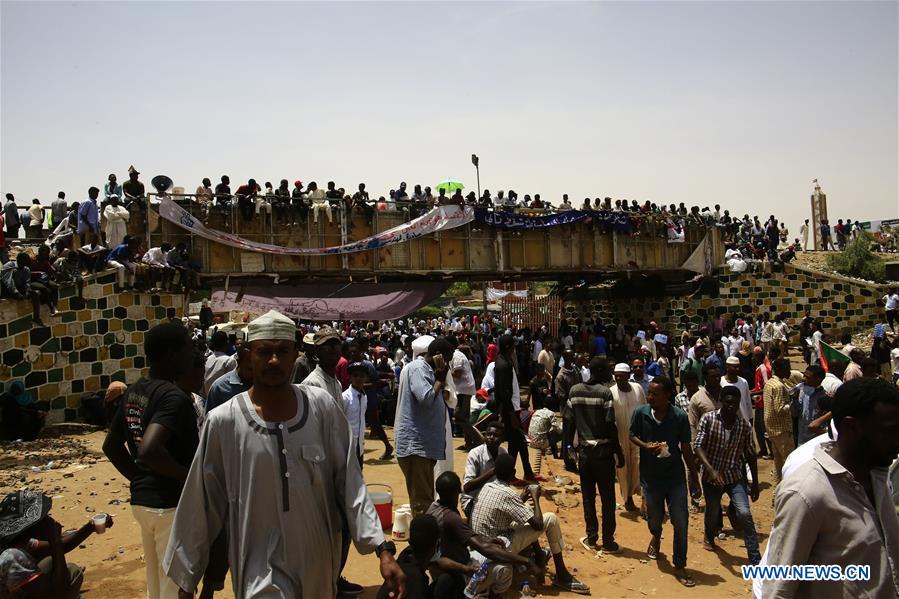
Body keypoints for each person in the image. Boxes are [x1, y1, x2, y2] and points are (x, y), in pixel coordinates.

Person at [164, 310, 405, 598]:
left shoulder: (321, 408)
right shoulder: (224, 422)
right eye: (264, 351)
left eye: (282, 351)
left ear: (295, 355)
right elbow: (202, 502)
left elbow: (350, 482)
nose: (274, 360)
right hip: (257, 571)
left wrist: (382, 549)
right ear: (248, 355)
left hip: (317, 567)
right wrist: (187, 577)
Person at [761, 378, 899, 597]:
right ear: (852, 427)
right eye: (890, 431)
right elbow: (778, 589)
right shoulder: (806, 492)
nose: (897, 440)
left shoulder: (877, 475)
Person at [101, 323, 199, 599]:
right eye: (188, 348)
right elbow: (149, 450)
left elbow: (111, 446)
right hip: (169, 506)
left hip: (144, 503)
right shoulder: (173, 397)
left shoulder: (134, 391)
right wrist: (189, 477)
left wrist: (140, 478)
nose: (192, 355)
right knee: (174, 588)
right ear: (171, 354)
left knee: (156, 587)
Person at [470, 453, 590, 595]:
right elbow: (538, 524)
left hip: (480, 545)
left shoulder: (487, 487)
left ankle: (538, 554)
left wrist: (523, 497)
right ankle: (562, 575)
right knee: (551, 519)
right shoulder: (508, 493)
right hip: (497, 549)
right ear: (513, 473)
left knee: (525, 508)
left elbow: (507, 508)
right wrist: (535, 496)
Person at [629, 377, 701, 588]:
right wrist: (645, 446)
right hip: (651, 478)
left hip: (675, 478)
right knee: (654, 518)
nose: (650, 397)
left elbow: (686, 448)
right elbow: (632, 434)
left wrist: (694, 477)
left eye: (655, 394)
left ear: (668, 395)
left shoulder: (679, 417)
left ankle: (680, 565)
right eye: (649, 393)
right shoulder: (641, 413)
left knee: (681, 521)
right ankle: (656, 535)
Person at [428, 471, 541, 597]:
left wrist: (486, 540)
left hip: (444, 569)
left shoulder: (434, 508)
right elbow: (485, 549)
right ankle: (491, 594)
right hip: (458, 572)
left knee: (495, 548)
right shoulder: (451, 518)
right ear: (456, 491)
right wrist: (526, 561)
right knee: (504, 569)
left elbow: (460, 537)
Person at [0, 490, 113, 599]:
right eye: (43, 518)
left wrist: (90, 527)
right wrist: (55, 541)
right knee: (73, 573)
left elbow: (63, 546)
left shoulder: (17, 540)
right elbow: (59, 595)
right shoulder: (12, 555)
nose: (48, 520)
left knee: (49, 561)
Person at [693, 386, 761, 564]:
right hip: (711, 477)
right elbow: (698, 446)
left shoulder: (744, 426)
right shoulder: (708, 419)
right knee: (713, 511)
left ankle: (755, 557)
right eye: (728, 402)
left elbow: (750, 454)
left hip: (734, 476)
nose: (732, 406)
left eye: (735, 403)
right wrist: (711, 470)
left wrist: (755, 483)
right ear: (721, 401)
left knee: (745, 513)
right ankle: (709, 536)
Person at [570, 357, 624, 553]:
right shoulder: (605, 393)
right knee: (608, 499)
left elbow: (569, 421)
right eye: (608, 369)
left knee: (588, 497)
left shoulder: (574, 391)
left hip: (584, 454)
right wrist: (619, 452)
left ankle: (592, 537)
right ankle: (608, 541)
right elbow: (610, 426)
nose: (611, 373)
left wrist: (568, 448)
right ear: (600, 371)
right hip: (603, 454)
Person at [395, 336, 453, 516]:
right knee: (422, 503)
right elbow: (426, 398)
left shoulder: (427, 370)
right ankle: (423, 533)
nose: (447, 364)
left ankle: (426, 531)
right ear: (438, 355)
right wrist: (439, 380)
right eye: (447, 359)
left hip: (424, 446)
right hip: (416, 446)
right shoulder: (418, 368)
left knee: (426, 496)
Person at [495, 334, 538, 481]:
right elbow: (504, 392)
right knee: (518, 441)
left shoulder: (506, 360)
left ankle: (523, 472)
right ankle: (512, 474)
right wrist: (511, 414)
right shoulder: (503, 365)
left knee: (517, 443)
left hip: (514, 407)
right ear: (509, 347)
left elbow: (511, 387)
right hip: (510, 411)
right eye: (513, 345)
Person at [610, 363, 646, 513]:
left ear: (627, 376)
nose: (619, 378)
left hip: (637, 435)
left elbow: (644, 409)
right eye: (616, 376)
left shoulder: (637, 388)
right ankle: (628, 498)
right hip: (620, 435)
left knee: (639, 464)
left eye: (621, 376)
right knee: (623, 468)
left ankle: (643, 497)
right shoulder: (611, 392)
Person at [462, 421, 507, 517]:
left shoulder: (503, 453)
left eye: (496, 435)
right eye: (489, 434)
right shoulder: (475, 453)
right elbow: (467, 487)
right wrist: (494, 471)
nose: (491, 437)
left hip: (494, 498)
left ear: (502, 439)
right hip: (473, 499)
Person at [763, 358, 795, 486]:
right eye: (787, 369)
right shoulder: (779, 386)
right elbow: (780, 409)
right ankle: (787, 488)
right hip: (782, 429)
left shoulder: (770, 383)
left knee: (777, 461)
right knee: (788, 462)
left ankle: (777, 489)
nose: (789, 372)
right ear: (780, 370)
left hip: (772, 428)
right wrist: (791, 402)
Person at [205, 340, 252, 413]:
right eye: (250, 368)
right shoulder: (219, 387)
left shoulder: (261, 385)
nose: (254, 372)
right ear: (238, 362)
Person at [342, 362, 370, 467]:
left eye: (361, 376)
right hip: (347, 446)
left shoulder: (364, 397)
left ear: (366, 378)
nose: (358, 378)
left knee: (359, 472)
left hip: (359, 445)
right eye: (355, 375)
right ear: (350, 378)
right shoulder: (345, 397)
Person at [450, 341, 478, 449]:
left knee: (459, 416)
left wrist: (446, 372)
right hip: (463, 389)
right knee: (464, 417)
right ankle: (469, 442)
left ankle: (477, 439)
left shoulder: (456, 356)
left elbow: (458, 373)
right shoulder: (455, 355)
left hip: (463, 389)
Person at [792, 364, 826, 446]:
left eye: (807, 377)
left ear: (817, 380)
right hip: (801, 440)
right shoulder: (803, 392)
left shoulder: (824, 398)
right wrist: (795, 398)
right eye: (804, 375)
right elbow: (795, 412)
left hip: (816, 441)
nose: (803, 379)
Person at [688, 363, 723, 439]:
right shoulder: (696, 398)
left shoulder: (726, 395)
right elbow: (692, 425)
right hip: (705, 442)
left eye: (718, 376)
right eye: (713, 377)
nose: (717, 379)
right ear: (705, 378)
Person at [203, 331, 237, 396]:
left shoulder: (207, 359)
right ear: (226, 343)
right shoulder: (229, 361)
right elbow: (232, 384)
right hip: (222, 399)